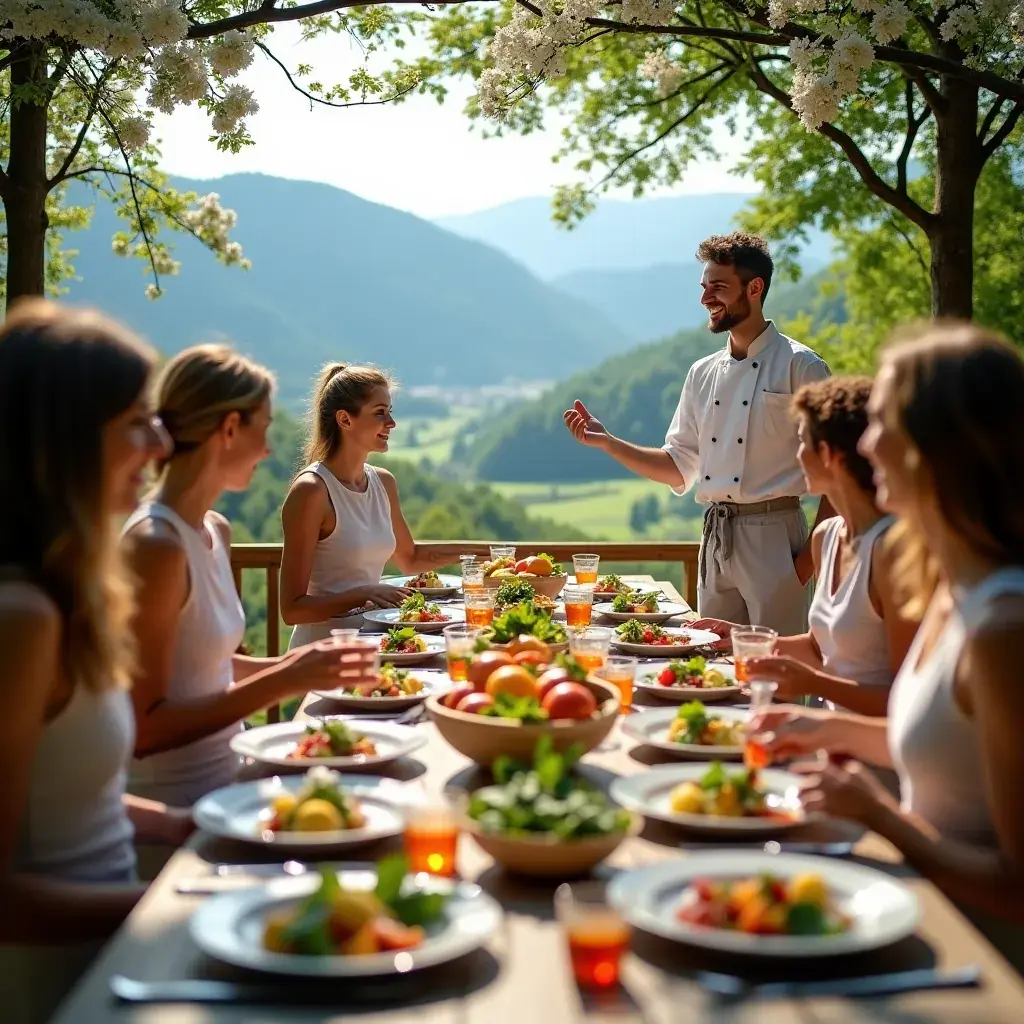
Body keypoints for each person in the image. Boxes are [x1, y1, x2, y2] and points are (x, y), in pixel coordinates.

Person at [752, 323, 1024, 966]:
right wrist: (823, 732)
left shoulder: (1004, 627)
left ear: (941, 445)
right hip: (920, 920)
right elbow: (948, 754)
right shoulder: (954, 591)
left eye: (883, 423)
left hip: (983, 968)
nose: (866, 444)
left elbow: (1017, 886)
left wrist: (878, 813)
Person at [0, 301, 192, 1024]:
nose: (161, 443)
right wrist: (183, 899)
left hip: (112, 957)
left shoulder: (69, 591)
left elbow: (61, 795)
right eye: (136, 421)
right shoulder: (22, 617)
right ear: (66, 441)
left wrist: (180, 827)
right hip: (55, 988)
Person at [124, 345, 376, 816]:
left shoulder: (215, 529)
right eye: (264, 428)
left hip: (231, 784)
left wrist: (309, 664)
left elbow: (212, 669)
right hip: (174, 807)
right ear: (229, 429)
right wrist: (288, 678)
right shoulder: (155, 546)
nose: (268, 449)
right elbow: (146, 727)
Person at [564, 231, 831, 636]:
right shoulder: (701, 373)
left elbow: (844, 472)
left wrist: (804, 564)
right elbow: (678, 467)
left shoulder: (803, 367)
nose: (706, 298)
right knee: (713, 666)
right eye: (705, 287)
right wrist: (608, 442)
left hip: (777, 541)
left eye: (718, 287)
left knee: (777, 674)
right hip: (715, 538)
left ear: (755, 288)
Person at [691, 377, 919, 715]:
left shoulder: (891, 553)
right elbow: (818, 647)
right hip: (825, 738)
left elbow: (907, 703)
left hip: (867, 754)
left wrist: (814, 685)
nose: (796, 456)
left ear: (828, 454)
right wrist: (742, 637)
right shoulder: (826, 538)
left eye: (801, 442)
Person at [281, 363, 471, 647]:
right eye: (380, 413)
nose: (391, 423)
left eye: (390, 412)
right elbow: (292, 609)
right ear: (345, 419)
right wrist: (363, 593)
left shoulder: (383, 482)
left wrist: (481, 555)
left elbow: (410, 558)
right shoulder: (312, 491)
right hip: (321, 654)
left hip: (376, 644)